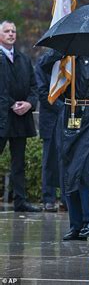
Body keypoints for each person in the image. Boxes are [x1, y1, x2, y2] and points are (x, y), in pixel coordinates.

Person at [44, 52, 89, 241]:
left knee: (85, 171)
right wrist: (58, 52)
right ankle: (75, 224)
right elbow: (43, 67)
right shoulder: (66, 60)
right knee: (68, 172)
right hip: (69, 118)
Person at [0, 21, 41, 212]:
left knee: (19, 162)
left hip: (20, 118)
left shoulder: (24, 59)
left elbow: (34, 87)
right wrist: (11, 104)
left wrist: (29, 103)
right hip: (2, 116)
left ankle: (20, 201)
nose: (11, 34)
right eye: (6, 31)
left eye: (13, 31)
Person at [35, 50, 64, 212]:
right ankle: (49, 198)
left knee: (66, 159)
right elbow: (42, 91)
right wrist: (62, 108)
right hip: (51, 118)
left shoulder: (70, 60)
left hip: (67, 117)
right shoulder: (43, 61)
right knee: (49, 160)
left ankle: (66, 199)